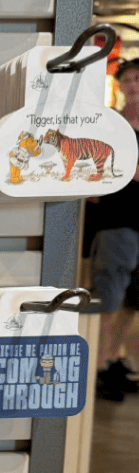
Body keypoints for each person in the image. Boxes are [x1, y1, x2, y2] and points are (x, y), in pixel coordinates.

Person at [85, 59, 139, 401]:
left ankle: (113, 359)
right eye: (128, 79)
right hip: (117, 220)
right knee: (109, 295)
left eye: (138, 78)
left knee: (134, 300)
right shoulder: (112, 125)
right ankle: (98, 366)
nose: (133, 84)